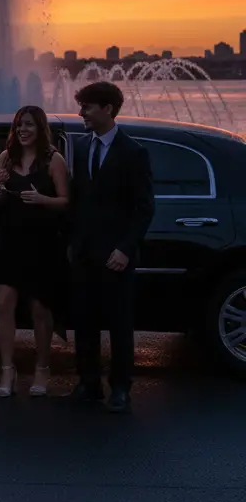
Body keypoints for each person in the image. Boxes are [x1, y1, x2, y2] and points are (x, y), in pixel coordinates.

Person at [67, 81, 154, 413]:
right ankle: (88, 384)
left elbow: (144, 207)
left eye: (87, 107)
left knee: (119, 324)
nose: (81, 113)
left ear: (107, 109)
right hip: (85, 253)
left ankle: (120, 388)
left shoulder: (134, 152)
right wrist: (74, 243)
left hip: (116, 255)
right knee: (84, 321)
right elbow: (79, 201)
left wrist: (125, 249)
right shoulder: (79, 146)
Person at [0, 105, 69, 398]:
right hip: (9, 241)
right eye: (19, 125)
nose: (23, 130)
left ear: (41, 129)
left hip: (42, 243)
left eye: (29, 125)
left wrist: (42, 199)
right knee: (4, 303)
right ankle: (7, 371)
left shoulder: (53, 159)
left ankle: (42, 368)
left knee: (39, 309)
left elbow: (66, 202)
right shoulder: (6, 158)